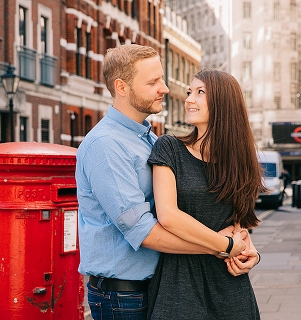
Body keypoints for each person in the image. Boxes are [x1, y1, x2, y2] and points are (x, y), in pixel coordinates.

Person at [75, 45, 256, 320]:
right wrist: (225, 247)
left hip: (161, 286)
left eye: (162, 79)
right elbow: (144, 231)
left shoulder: (149, 139)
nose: (165, 89)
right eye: (153, 82)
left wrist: (242, 242)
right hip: (124, 296)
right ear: (121, 87)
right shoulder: (105, 145)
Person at [147, 70, 265, 319]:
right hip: (180, 283)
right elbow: (168, 215)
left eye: (200, 93)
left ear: (224, 104)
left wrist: (250, 253)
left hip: (230, 286)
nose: (190, 99)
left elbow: (239, 223)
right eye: (190, 92)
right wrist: (226, 245)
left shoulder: (239, 161)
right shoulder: (169, 148)